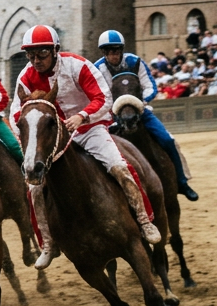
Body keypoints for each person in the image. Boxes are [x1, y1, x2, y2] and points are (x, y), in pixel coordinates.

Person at [11, 25, 162, 268]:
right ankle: (48, 243)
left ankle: (144, 221)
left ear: (55, 50)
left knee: (119, 166)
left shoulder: (77, 65)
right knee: (34, 188)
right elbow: (16, 115)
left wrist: (82, 116)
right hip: (55, 137)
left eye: (42, 54)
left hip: (89, 128)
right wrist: (31, 144)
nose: (36, 60)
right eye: (31, 55)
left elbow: (104, 98)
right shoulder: (26, 76)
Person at [94, 30, 199, 201]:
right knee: (98, 148)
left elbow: (150, 86)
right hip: (113, 114)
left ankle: (181, 182)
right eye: (109, 51)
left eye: (116, 50)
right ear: (104, 52)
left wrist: (139, 102)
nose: (113, 54)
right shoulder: (97, 68)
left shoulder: (135, 61)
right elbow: (99, 94)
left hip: (140, 110)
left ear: (121, 49)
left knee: (168, 140)